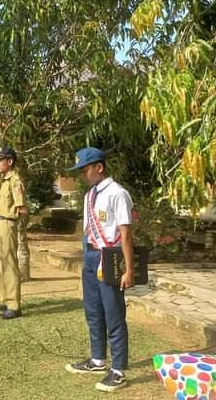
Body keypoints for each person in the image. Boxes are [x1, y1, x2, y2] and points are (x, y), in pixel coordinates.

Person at [64, 147, 134, 393]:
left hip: (109, 257)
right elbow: (88, 229)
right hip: (91, 256)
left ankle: (118, 370)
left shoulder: (118, 193)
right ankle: (97, 360)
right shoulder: (89, 195)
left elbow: (125, 233)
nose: (82, 174)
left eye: (85, 169)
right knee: (93, 311)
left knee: (113, 314)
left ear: (99, 167)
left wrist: (129, 269)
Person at [0, 146, 27, 320]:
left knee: (9, 265)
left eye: (0, 160)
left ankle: (14, 305)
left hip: (7, 224)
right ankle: (3, 299)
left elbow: (22, 209)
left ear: (9, 161)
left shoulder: (15, 181)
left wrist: (14, 224)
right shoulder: (1, 181)